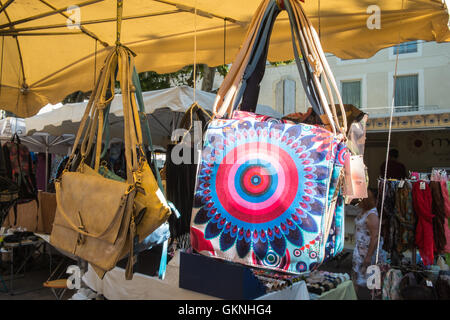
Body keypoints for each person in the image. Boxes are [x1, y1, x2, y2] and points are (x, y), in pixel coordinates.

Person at [352, 188, 386, 300]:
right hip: (360, 250)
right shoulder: (364, 211)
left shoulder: (372, 215)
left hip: (367, 252)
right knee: (356, 277)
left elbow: (375, 237)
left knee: (372, 280)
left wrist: (369, 256)